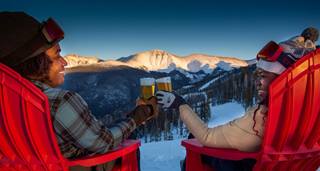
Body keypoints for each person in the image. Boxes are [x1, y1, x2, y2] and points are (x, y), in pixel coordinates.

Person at [0, 11, 158, 171]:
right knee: (128, 148)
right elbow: (105, 142)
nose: (65, 62)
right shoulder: (58, 101)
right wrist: (141, 114)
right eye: (57, 55)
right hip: (72, 166)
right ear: (34, 61)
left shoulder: (7, 103)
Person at [156, 27, 319, 171]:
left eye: (263, 76)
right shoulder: (310, 114)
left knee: (195, 140)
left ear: (282, 80)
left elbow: (206, 136)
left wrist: (180, 104)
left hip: (248, 164)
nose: (257, 82)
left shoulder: (259, 121)